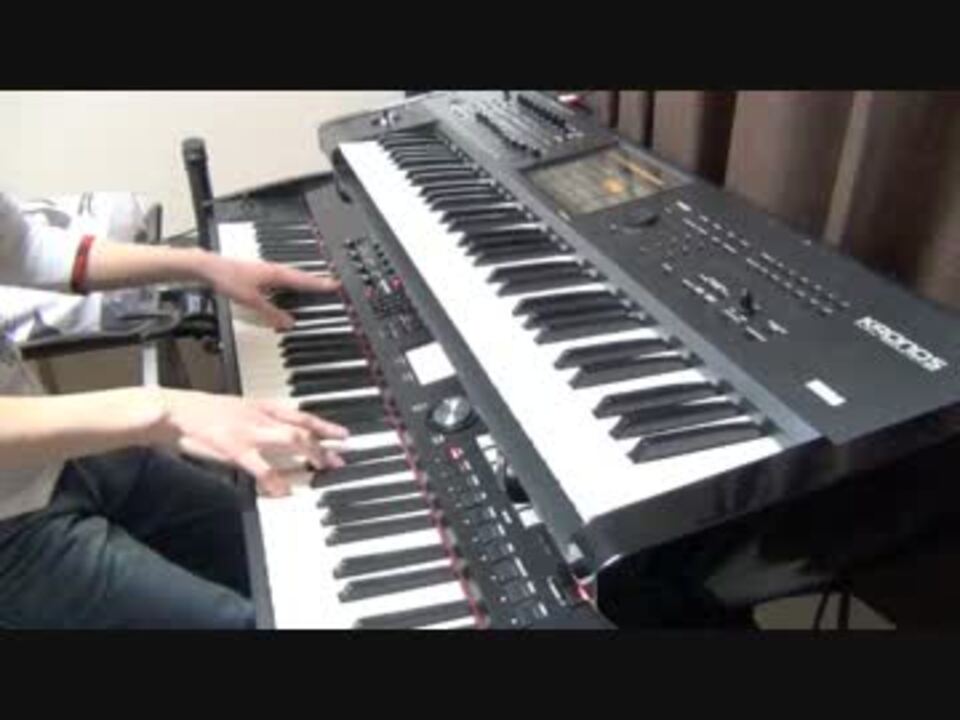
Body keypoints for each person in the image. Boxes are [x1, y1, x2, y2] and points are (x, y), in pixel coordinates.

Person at [0, 191, 348, 629]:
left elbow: (25, 249)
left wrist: (202, 265)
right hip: (12, 534)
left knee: (291, 557)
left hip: (63, 455)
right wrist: (162, 410)